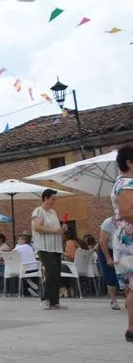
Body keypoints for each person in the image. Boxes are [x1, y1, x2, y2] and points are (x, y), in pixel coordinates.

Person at [109, 144, 133, 341]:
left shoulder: (120, 181)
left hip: (125, 238)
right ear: (129, 162)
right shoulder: (127, 183)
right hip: (130, 239)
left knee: (131, 286)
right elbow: (126, 212)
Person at [31, 188, 66, 310]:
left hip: (56, 247)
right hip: (44, 247)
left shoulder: (53, 212)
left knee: (57, 272)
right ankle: (45, 298)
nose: (54, 202)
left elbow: (56, 230)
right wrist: (55, 231)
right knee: (51, 271)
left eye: (55, 199)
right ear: (45, 198)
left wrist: (62, 229)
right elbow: (37, 227)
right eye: (52, 199)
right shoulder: (38, 211)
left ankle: (54, 300)